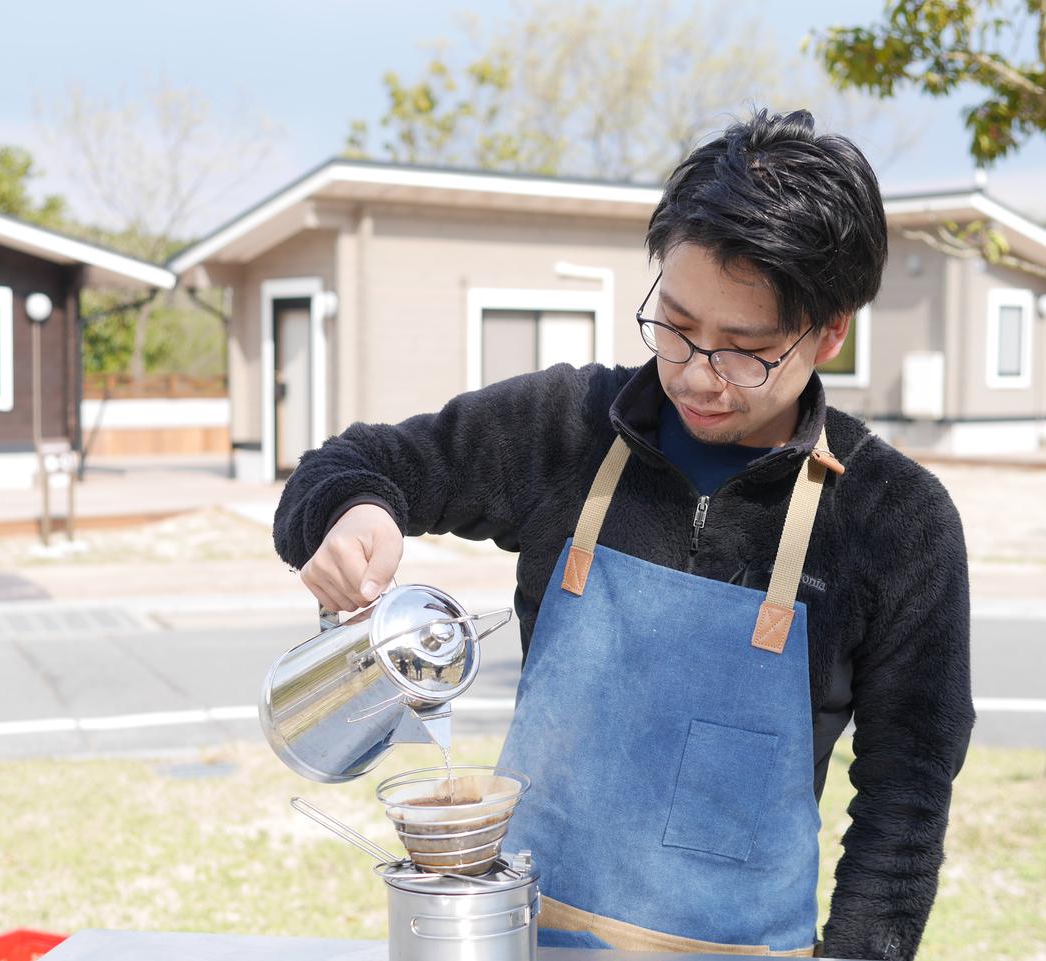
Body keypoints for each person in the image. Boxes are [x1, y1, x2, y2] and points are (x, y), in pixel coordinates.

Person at [273, 108, 974, 960]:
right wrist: (355, 512)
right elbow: (352, 463)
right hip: (523, 939)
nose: (695, 374)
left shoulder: (894, 520)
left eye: (745, 350)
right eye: (676, 325)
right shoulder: (567, 428)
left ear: (830, 332)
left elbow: (905, 802)